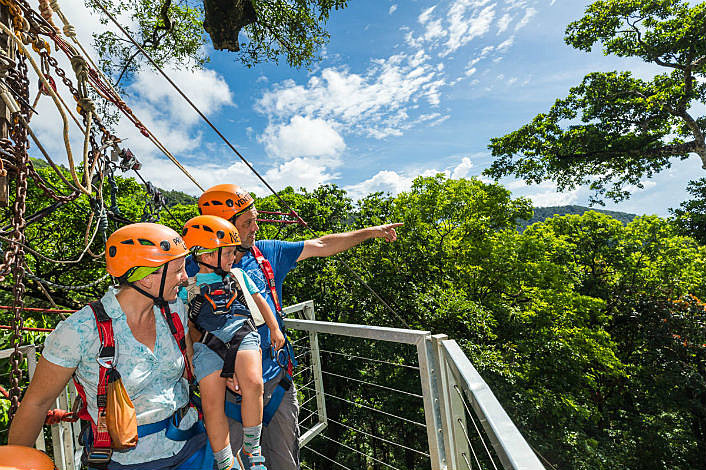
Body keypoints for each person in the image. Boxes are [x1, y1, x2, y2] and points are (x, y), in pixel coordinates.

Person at [195, 184, 401, 469]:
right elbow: (188, 326)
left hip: (275, 381)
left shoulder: (266, 253)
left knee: (285, 463)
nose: (256, 228)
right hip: (227, 389)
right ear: (222, 227)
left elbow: (322, 245)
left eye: (255, 220)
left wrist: (371, 232)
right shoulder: (192, 269)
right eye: (247, 223)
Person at [8, 223, 213, 470]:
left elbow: (189, 366)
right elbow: (37, 403)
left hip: (190, 445)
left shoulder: (174, 311)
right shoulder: (81, 331)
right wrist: (14, 463)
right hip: (126, 461)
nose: (186, 278)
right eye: (178, 270)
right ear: (146, 278)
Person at [179, 215, 284, 470]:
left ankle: (252, 449)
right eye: (226, 253)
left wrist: (274, 328)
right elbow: (186, 327)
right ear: (204, 255)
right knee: (212, 404)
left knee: (254, 383)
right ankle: (226, 462)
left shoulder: (238, 276)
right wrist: (189, 356)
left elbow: (259, 301)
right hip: (206, 344)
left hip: (241, 332)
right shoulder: (186, 288)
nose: (233, 257)